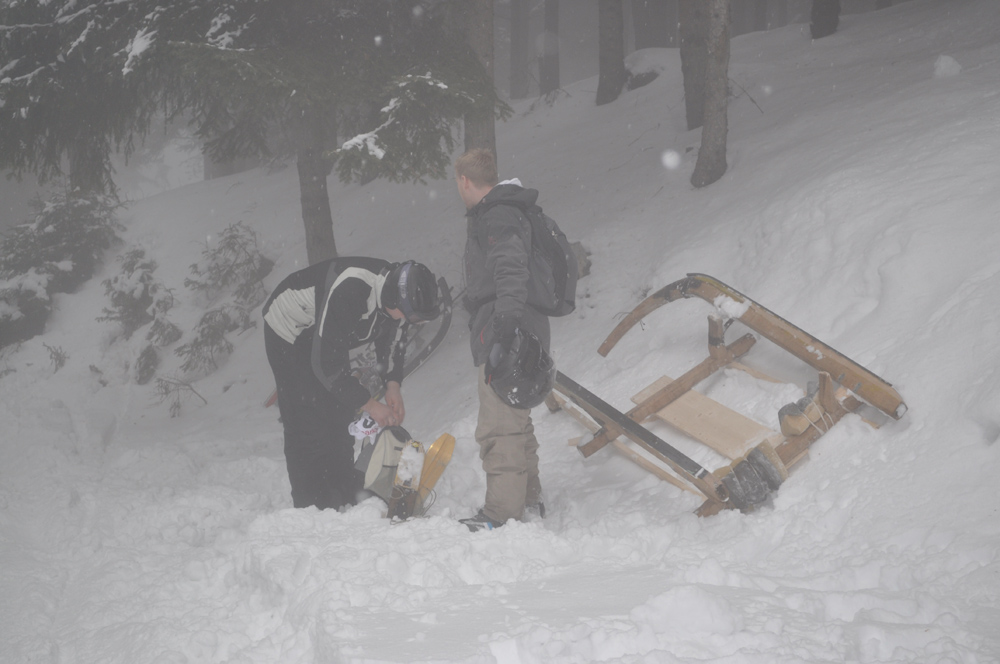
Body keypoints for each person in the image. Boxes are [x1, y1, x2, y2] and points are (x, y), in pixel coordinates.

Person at [262, 257, 440, 510]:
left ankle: (342, 489)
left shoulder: (396, 301)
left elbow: (391, 343)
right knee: (307, 420)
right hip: (290, 332)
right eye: (413, 317)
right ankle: (311, 504)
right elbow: (327, 366)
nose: (414, 323)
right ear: (393, 300)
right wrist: (370, 405)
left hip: (325, 333)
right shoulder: (352, 289)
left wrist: (392, 385)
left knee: (339, 413)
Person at [454, 148, 552, 531]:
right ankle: (528, 497)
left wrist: (504, 329)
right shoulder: (511, 209)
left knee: (500, 423)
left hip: (509, 328)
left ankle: (502, 513)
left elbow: (510, 267)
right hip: (527, 324)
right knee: (516, 415)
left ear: (464, 181)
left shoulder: (497, 215)